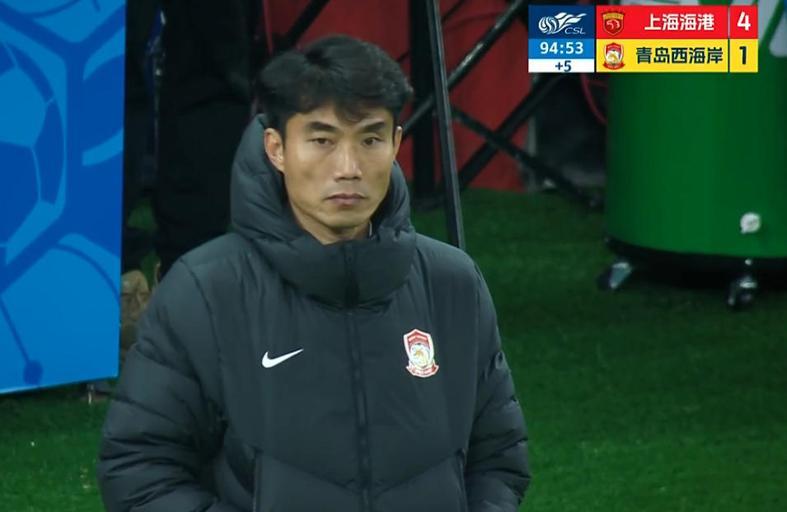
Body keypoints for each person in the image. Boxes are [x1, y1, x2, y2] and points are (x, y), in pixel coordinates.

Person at [97, 35, 530, 512]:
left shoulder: (453, 283)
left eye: (370, 139)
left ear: (396, 144)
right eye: (322, 140)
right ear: (276, 148)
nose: (348, 168)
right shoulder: (205, 290)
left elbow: (499, 458)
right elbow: (140, 470)